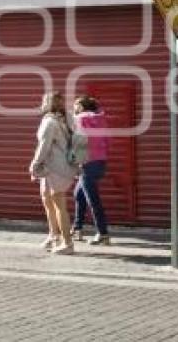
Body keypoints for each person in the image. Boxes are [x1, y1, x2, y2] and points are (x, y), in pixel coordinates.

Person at [29, 92, 78, 255]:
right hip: (60, 167)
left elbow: (44, 145)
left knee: (58, 205)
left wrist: (34, 164)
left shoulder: (50, 122)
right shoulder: (67, 119)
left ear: (47, 103)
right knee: (47, 200)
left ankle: (67, 243)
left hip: (55, 168)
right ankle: (54, 236)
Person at [71, 95, 111, 246]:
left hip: (87, 162)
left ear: (81, 106)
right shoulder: (101, 120)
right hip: (100, 161)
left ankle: (103, 233)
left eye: (75, 105)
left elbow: (76, 142)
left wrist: (76, 161)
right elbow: (107, 141)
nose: (74, 108)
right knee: (78, 194)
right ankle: (77, 228)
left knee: (92, 199)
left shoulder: (79, 119)